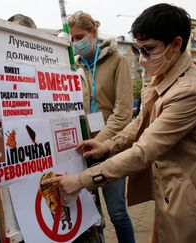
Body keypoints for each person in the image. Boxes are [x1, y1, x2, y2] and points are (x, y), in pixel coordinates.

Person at [43, 4, 196, 243]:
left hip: (189, 194)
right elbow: (140, 123)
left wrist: (81, 180)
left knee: (121, 215)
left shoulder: (188, 91)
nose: (142, 60)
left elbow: (144, 150)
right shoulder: (162, 77)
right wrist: (108, 146)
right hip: (170, 190)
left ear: (176, 44)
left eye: (149, 50)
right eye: (138, 50)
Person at [68, 11, 135, 243]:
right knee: (91, 215)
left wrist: (102, 143)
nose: (76, 43)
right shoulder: (74, 66)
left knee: (117, 212)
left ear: (94, 33)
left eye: (80, 37)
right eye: (72, 39)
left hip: (110, 149)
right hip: (82, 151)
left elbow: (123, 111)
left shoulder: (118, 60)